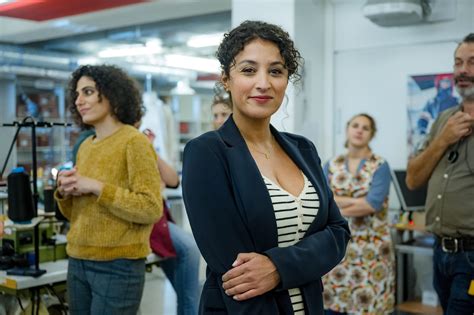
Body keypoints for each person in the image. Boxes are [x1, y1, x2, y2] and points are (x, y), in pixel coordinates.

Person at [182, 20, 351, 315]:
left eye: (276, 71)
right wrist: (306, 259)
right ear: (226, 79)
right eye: (248, 70)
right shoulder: (207, 153)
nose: (264, 83)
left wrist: (277, 267)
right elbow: (237, 274)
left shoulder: (303, 149)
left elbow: (338, 233)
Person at [55, 64, 163, 314]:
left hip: (118, 265)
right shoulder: (86, 146)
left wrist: (96, 187)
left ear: (112, 95)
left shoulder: (133, 141)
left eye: (88, 92)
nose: (79, 100)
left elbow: (150, 208)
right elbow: (76, 214)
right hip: (78, 260)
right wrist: (65, 191)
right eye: (77, 94)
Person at [406, 33, 474, 314]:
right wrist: (443, 139)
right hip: (441, 252)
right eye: (458, 62)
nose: (462, 70)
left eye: (472, 63)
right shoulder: (443, 119)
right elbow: (413, 179)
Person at [322, 114, 394, 314]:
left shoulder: (380, 165)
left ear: (372, 134)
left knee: (368, 306)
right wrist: (356, 201)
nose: (359, 130)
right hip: (338, 248)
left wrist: (338, 205)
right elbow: (322, 200)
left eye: (366, 127)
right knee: (334, 305)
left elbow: (372, 204)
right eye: (355, 125)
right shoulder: (331, 164)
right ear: (347, 129)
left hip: (372, 250)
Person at [144, 128, 201, 315]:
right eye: (217, 115)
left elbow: (173, 180)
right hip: (147, 220)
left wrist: (150, 150)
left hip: (157, 218)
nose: (219, 119)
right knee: (190, 250)